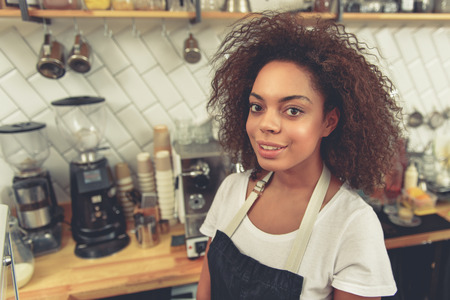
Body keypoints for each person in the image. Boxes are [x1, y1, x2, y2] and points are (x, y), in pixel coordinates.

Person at [197, 11, 402, 300]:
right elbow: (204, 292)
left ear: (328, 122)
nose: (266, 124)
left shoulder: (352, 224)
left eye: (293, 110)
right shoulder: (231, 191)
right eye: (257, 107)